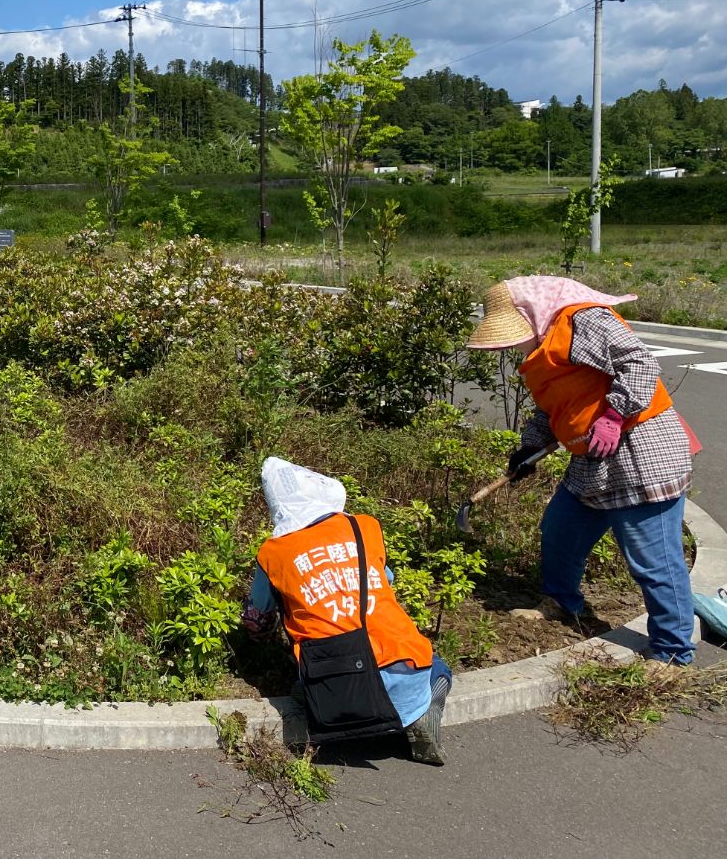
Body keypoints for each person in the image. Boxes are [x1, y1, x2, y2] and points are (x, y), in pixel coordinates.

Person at [467, 276, 697, 666]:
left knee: (653, 559)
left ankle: (673, 652)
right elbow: (554, 406)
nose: (512, 343)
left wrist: (612, 415)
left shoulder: (583, 321)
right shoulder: (544, 347)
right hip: (592, 465)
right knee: (560, 530)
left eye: (514, 331)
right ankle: (561, 600)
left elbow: (640, 362)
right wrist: (530, 446)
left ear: (530, 312)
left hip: (641, 456)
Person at [242, 457, 451, 765]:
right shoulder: (364, 528)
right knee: (438, 666)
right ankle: (419, 716)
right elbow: (386, 578)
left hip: (331, 682)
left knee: (301, 677)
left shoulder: (273, 553)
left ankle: (311, 703)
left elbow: (256, 618)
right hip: (401, 665)